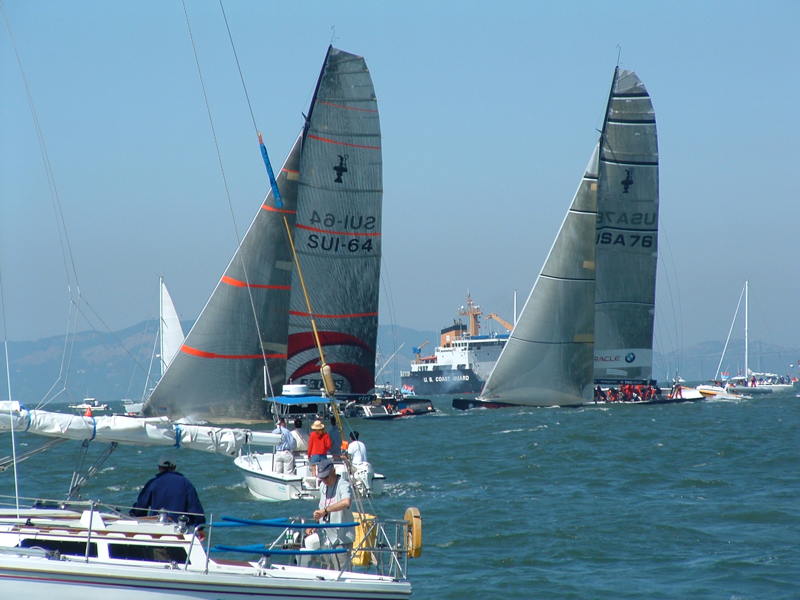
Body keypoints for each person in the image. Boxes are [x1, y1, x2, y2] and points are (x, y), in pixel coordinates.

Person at [130, 457, 205, 526]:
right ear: (174, 467)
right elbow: (196, 510)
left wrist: (133, 514)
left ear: (159, 468)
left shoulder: (153, 483)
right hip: (178, 528)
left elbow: (140, 508)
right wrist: (200, 527)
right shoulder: (186, 483)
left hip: (157, 526)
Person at [311, 458, 354, 569]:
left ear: (333, 472)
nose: (324, 480)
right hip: (326, 538)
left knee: (343, 571)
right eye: (322, 478)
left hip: (341, 539)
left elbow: (346, 502)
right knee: (326, 570)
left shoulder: (343, 485)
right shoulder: (322, 486)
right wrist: (315, 523)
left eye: (326, 477)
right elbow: (321, 507)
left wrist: (326, 510)